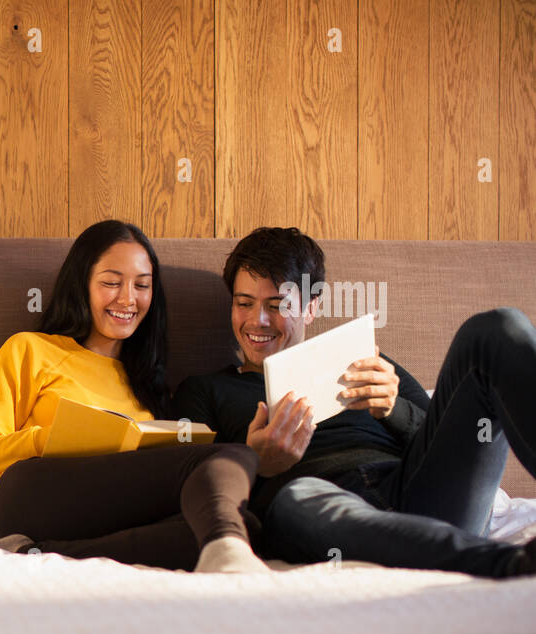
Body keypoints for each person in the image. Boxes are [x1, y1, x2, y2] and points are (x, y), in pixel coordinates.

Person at [173, 226, 536, 578]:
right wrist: (256, 462)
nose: (258, 320)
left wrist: (394, 410)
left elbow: (453, 443)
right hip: (319, 503)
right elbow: (191, 486)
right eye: (244, 303)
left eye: (277, 304)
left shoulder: (364, 360)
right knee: (299, 496)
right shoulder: (205, 389)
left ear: (312, 307)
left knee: (496, 328)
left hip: (418, 491)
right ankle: (510, 564)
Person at [0, 220, 267, 573]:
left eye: (142, 285)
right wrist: (52, 438)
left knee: (244, 525)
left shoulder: (149, 385)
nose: (127, 299)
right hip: (35, 492)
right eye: (111, 282)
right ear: (82, 284)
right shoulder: (30, 349)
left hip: (107, 514)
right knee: (231, 457)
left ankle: (50, 553)